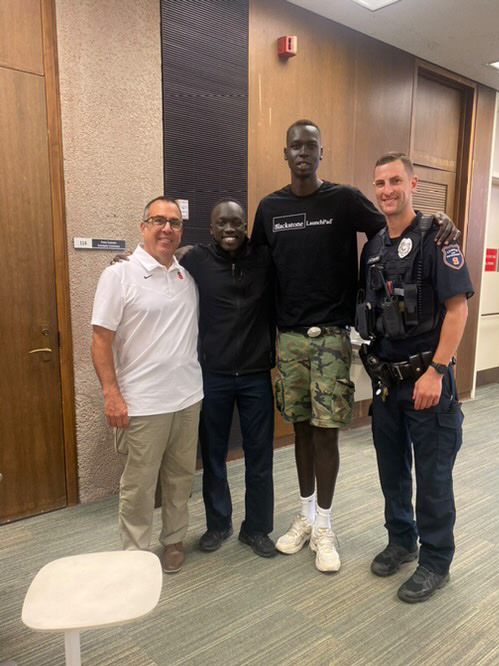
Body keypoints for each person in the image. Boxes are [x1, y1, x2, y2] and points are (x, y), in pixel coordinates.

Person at [251, 120, 459, 573]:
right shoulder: (269, 208)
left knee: (326, 433)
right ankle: (305, 517)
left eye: (311, 146)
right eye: (295, 147)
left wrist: (437, 220)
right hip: (288, 340)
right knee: (300, 431)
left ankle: (325, 525)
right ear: (285, 153)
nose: (303, 153)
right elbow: (252, 266)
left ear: (321, 152)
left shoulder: (343, 199)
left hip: (329, 337)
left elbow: (395, 228)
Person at [357, 152, 473, 602]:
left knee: (433, 475)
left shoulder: (438, 239)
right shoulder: (374, 247)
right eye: (380, 183)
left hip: (427, 381)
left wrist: (437, 372)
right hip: (387, 383)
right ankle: (402, 541)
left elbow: (457, 310)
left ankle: (436, 561)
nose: (387, 190)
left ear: (413, 183)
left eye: (395, 181)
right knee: (392, 471)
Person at [91, 196, 202, 573]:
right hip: (142, 405)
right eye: (158, 220)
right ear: (143, 226)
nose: (166, 229)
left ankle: (173, 541)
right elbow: (101, 339)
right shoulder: (118, 275)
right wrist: (111, 394)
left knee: (179, 479)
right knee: (139, 486)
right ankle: (136, 553)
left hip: (188, 399)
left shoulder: (186, 278)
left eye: (174, 223)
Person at [179, 199, 277, 558]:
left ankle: (257, 528)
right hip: (214, 376)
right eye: (222, 223)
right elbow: (158, 262)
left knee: (259, 456)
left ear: (245, 226)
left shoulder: (264, 259)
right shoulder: (196, 259)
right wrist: (125, 260)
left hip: (255, 377)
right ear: (211, 228)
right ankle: (219, 524)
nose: (230, 229)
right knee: (214, 455)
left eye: (236, 222)